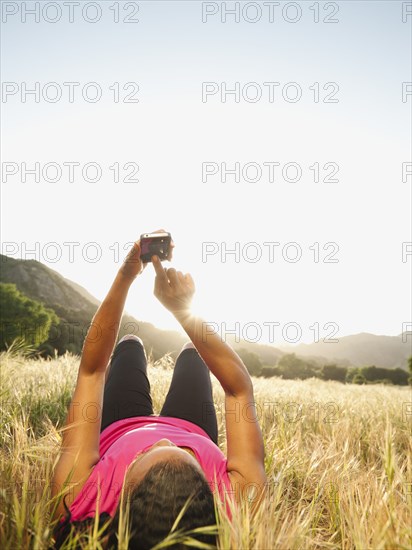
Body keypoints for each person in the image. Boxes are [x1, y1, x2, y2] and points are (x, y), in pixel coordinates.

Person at [51, 231, 267, 549]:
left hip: (120, 425)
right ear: (210, 503)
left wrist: (125, 276)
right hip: (193, 424)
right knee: (194, 355)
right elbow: (238, 390)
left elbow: (93, 371)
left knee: (130, 344)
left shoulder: (77, 503)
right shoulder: (240, 508)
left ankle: (132, 347)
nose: (163, 439)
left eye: (147, 453)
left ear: (123, 499)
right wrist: (183, 310)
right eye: (185, 455)